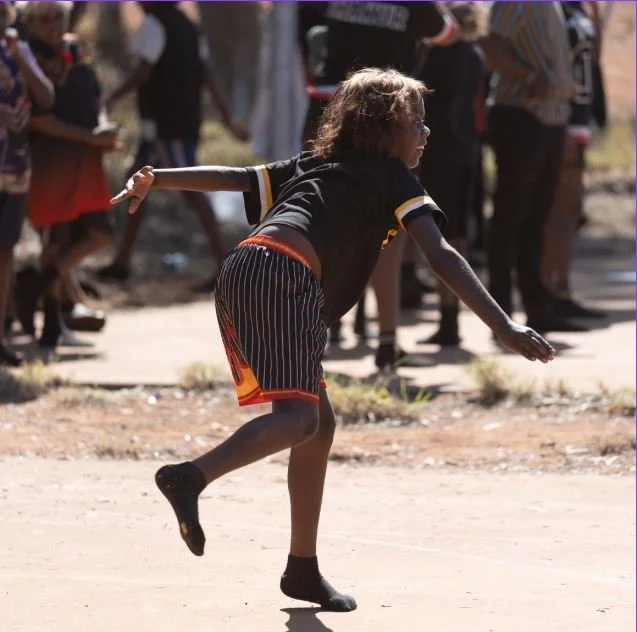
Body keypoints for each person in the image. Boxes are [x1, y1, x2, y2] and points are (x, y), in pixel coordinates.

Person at [111, 68, 556, 612]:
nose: (425, 134)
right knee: (299, 420)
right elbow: (441, 255)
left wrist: (158, 177)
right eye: (416, 123)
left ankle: (302, 569)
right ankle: (190, 477)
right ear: (383, 131)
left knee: (318, 424)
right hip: (284, 273)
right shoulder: (395, 178)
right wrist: (502, 326)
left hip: (247, 266)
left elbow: (234, 177)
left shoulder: (314, 165)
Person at [298, 1, 459, 367]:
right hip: (383, 117)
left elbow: (306, 32)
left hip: (327, 105)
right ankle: (387, 342)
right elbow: (447, 33)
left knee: (321, 222)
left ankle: (314, 334)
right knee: (389, 223)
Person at [96, 1, 248, 293]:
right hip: (178, 123)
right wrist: (229, 120)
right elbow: (208, 77)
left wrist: (111, 97)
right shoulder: (189, 26)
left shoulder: (155, 24)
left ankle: (223, 266)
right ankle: (122, 262)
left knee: (194, 192)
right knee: (135, 184)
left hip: (166, 126)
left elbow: (143, 72)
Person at [14, 0, 120, 350]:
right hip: (52, 163)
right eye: (43, 19)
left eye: (57, 16)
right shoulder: (29, 58)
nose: (52, 25)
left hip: (86, 161)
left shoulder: (75, 49)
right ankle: (51, 323)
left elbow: (96, 97)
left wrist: (104, 128)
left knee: (99, 232)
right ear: (30, 23)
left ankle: (35, 285)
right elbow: (39, 118)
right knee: (55, 239)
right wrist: (90, 136)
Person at [480, 1, 583, 334]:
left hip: (551, 119)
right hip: (521, 116)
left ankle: (538, 311)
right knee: (510, 217)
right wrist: (529, 76)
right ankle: (501, 316)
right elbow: (491, 47)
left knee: (537, 219)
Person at [417, 1, 485, 346]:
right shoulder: (474, 57)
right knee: (457, 234)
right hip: (466, 150)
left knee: (437, 237)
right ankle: (451, 317)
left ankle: (447, 321)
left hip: (438, 152)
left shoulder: (436, 58)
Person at [540, 1, 604, 321]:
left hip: (581, 115)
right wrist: (562, 123)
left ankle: (561, 289)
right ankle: (547, 290)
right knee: (556, 209)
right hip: (562, 116)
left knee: (571, 209)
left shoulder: (579, 8)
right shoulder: (554, 9)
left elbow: (592, 59)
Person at [0, 0, 54, 365]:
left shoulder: (16, 50)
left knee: (5, 252)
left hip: (15, 169)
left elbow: (46, 96)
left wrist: (19, 56)